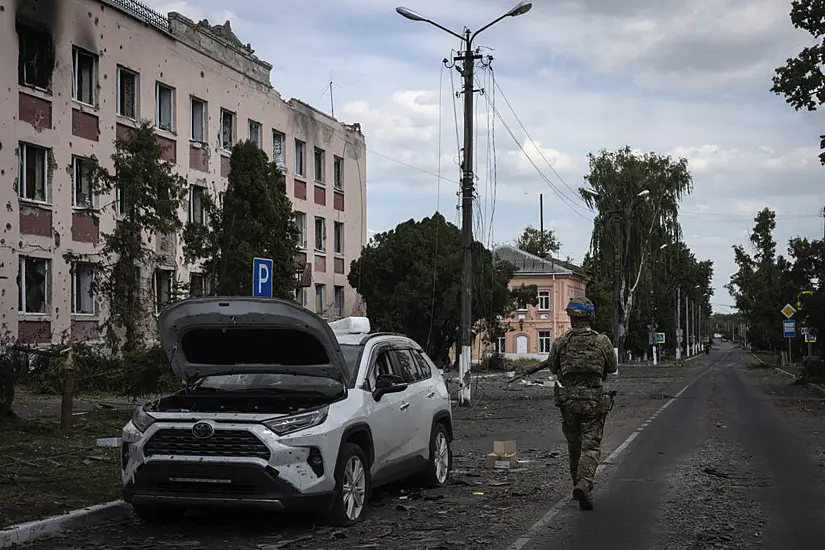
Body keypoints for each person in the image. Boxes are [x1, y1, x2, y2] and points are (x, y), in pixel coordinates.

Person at [518, 296, 618, 510]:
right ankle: (584, 482)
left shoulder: (560, 342)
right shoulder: (602, 341)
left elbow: (553, 367)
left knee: (574, 445)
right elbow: (612, 367)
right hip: (593, 400)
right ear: (590, 316)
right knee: (590, 446)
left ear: (571, 317)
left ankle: (576, 483)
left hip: (568, 401)